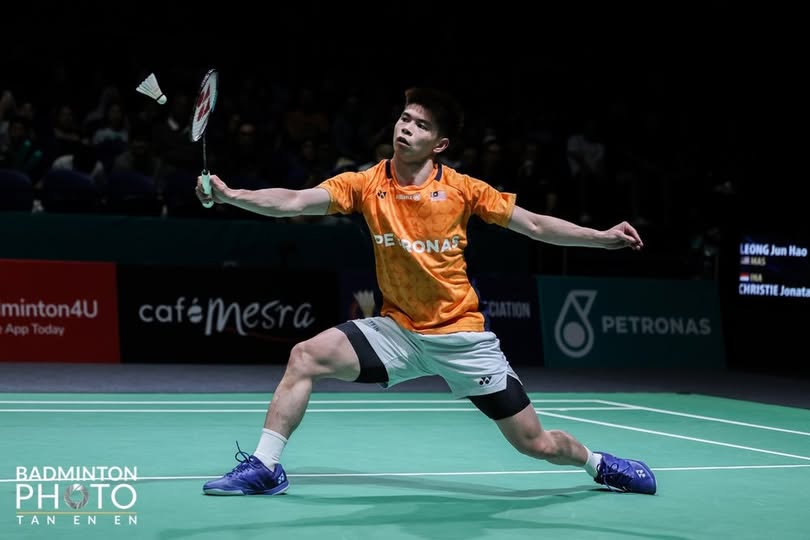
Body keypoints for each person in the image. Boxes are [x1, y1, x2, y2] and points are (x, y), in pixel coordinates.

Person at [196, 88, 656, 497]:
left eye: (420, 125)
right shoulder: (365, 183)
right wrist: (233, 195)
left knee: (535, 443)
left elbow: (534, 225)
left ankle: (599, 465)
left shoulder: (464, 190)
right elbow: (296, 200)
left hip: (462, 339)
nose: (406, 128)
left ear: (440, 144)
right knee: (305, 356)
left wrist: (600, 237)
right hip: (398, 332)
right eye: (404, 119)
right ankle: (265, 466)